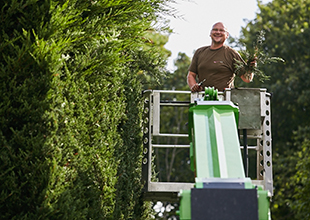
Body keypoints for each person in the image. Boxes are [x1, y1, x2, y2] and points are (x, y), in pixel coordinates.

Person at [187, 22, 255, 92]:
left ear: (227, 35)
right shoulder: (200, 52)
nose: (218, 32)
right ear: (210, 33)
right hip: (203, 99)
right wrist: (194, 86)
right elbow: (191, 75)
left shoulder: (231, 54)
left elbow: (247, 78)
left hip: (224, 99)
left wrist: (250, 68)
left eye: (222, 30)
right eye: (215, 30)